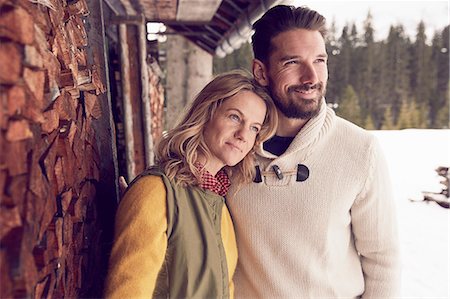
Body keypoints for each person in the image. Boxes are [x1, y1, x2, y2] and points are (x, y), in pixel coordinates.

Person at [226, 5, 401, 298]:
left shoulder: (360, 150)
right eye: (292, 62)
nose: (311, 77)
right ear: (261, 71)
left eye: (319, 60)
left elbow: (383, 260)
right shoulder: (233, 148)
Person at [104, 70, 277, 298]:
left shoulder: (221, 207)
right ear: (206, 114)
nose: (243, 134)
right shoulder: (156, 191)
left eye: (254, 127)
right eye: (235, 117)